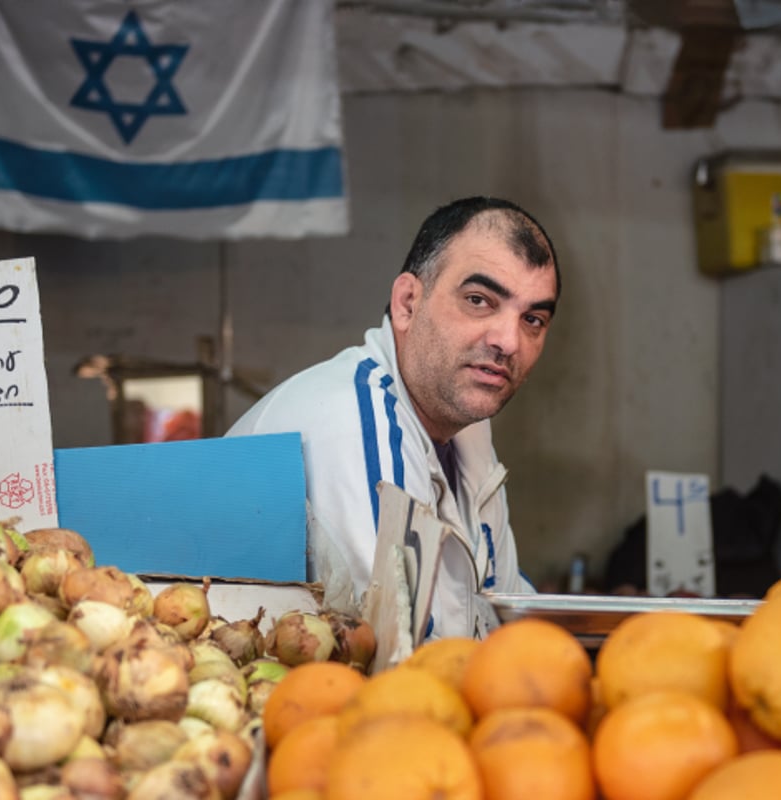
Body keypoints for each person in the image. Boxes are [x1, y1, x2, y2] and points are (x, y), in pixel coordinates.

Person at [227, 196, 561, 638]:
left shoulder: (466, 430)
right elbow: (398, 650)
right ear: (406, 303)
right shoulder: (353, 421)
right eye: (479, 300)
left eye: (533, 319)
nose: (509, 341)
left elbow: (504, 616)